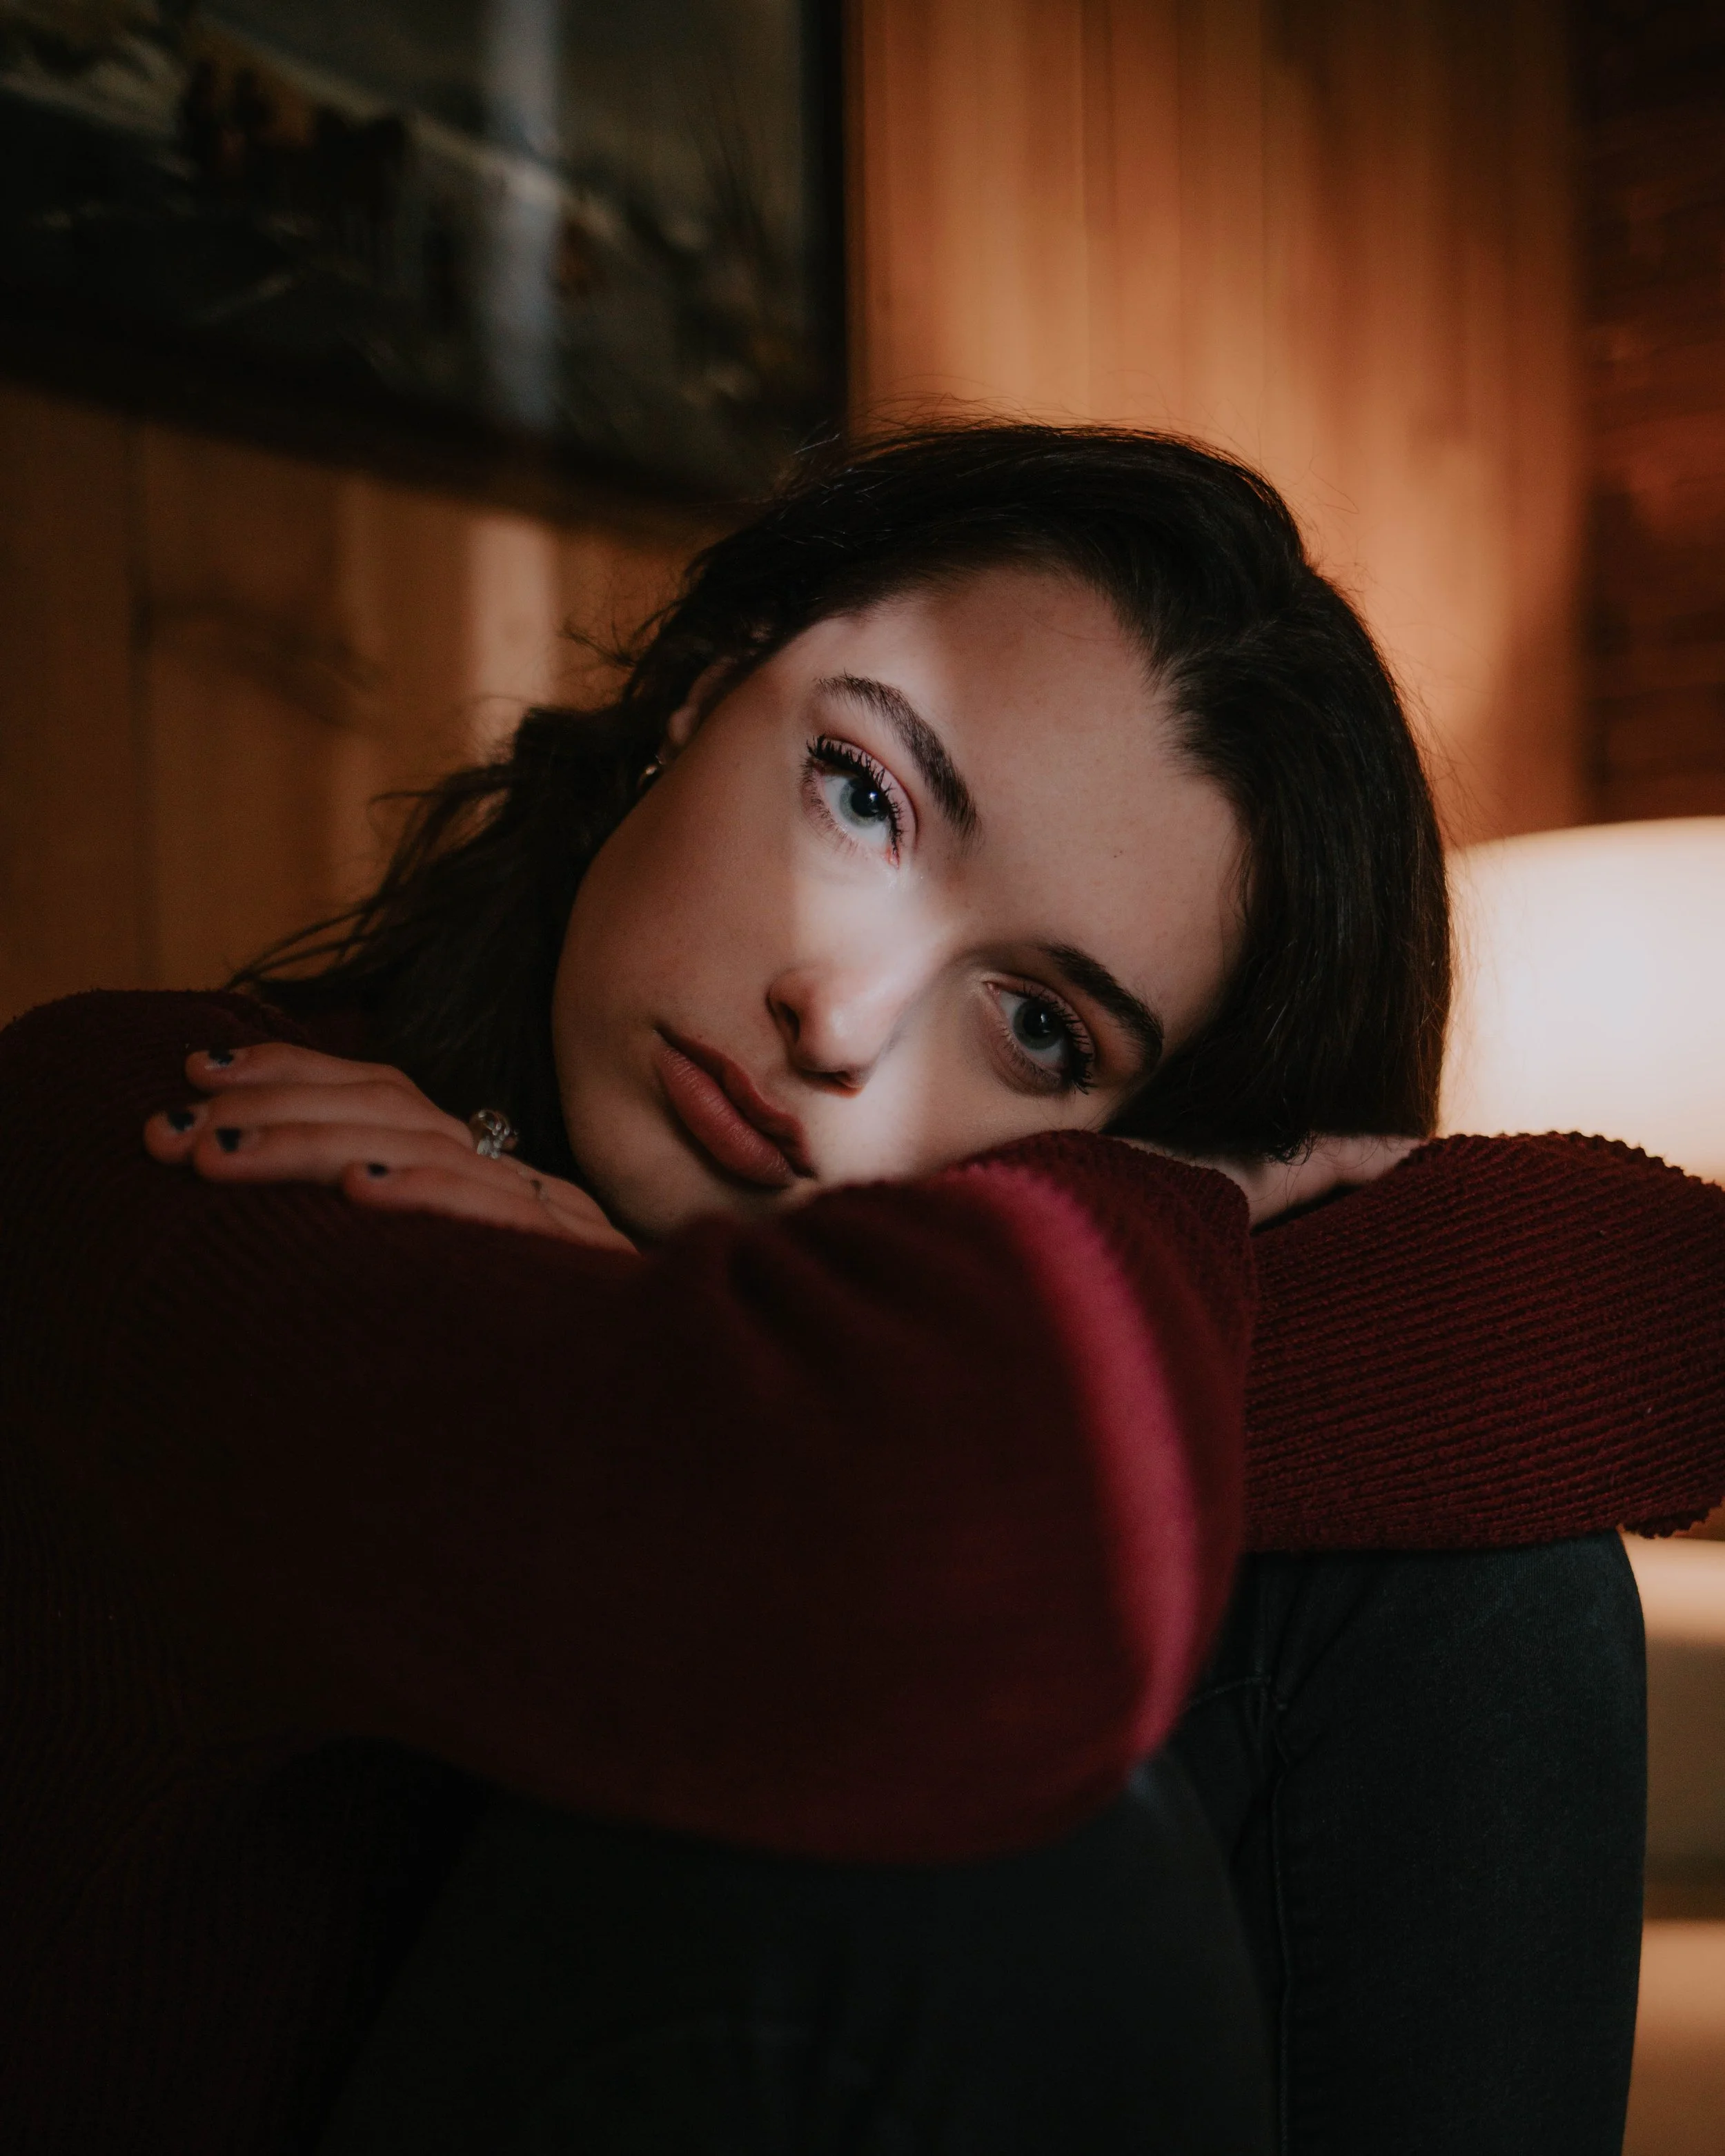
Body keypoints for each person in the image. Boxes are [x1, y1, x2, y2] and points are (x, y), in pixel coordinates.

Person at [1, 424, 1719, 2155]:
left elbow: (1660, 1306)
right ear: (700, 688)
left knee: (1469, 1588)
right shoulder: (157, 1135)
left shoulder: (932, 1373)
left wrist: (789, 1322)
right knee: (989, 1828)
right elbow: (902, 1593)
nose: (837, 1016)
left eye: (1039, 1024)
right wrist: (1153, 1212)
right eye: (863, 795)